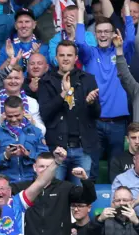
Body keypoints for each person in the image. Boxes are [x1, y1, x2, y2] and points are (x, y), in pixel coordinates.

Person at [76, 0, 134, 182]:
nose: (102, 35)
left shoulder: (120, 52)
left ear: (113, 34)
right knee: (91, 167)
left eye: (106, 32)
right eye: (99, 32)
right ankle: (89, 205)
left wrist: (126, 8)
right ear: (95, 34)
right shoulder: (90, 54)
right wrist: (80, 10)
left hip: (118, 123)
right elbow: (78, 40)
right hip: (94, 122)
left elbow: (131, 38)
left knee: (116, 171)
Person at [37, 40, 100, 184]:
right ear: (56, 57)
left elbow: (97, 114)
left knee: (81, 196)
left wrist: (91, 103)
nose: (65, 58)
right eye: (62, 55)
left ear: (76, 58)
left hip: (83, 148)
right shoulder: (45, 81)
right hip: (57, 149)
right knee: (54, 194)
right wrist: (63, 94)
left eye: (69, 55)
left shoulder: (88, 79)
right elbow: (45, 113)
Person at [0, 95, 49, 184]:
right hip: (7, 184)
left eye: (17, 115)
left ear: (24, 111)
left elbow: (46, 159)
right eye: (9, 116)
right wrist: (6, 155)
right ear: (4, 114)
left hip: (32, 182)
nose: (14, 119)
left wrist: (28, 154)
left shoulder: (36, 132)